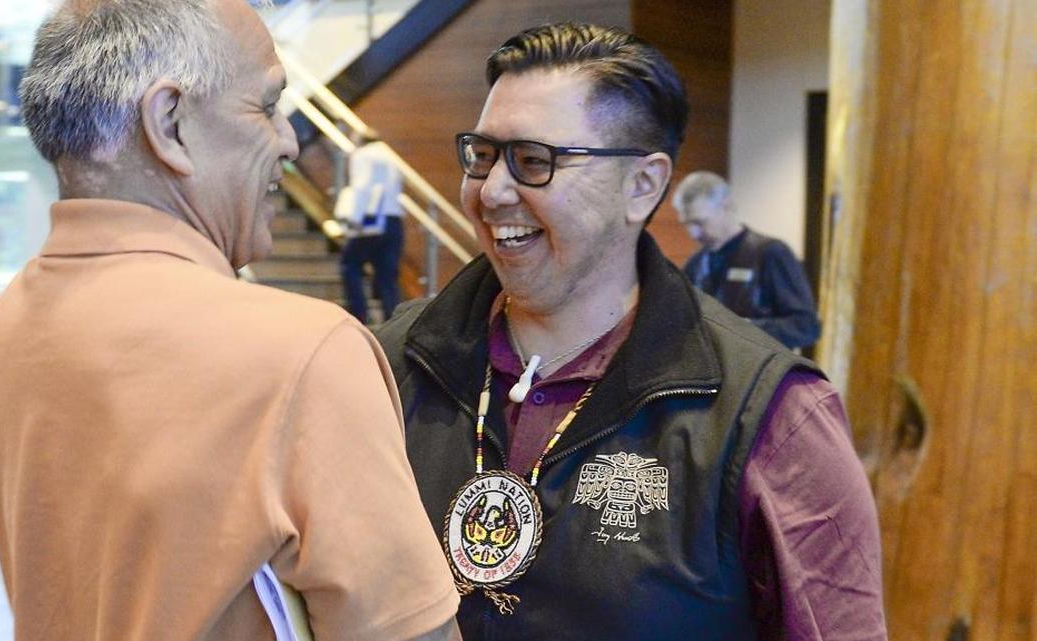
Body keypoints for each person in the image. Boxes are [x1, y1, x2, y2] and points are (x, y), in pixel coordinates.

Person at [375, 22, 886, 641]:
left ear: (641, 186)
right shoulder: (392, 363)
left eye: (534, 161)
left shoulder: (769, 417)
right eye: (482, 157)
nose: (492, 191)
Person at [0, 1, 460, 640]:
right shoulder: (303, 355)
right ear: (170, 123)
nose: (289, 140)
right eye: (266, 106)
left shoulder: (12, 320)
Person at [673, 170, 821, 349]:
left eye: (700, 222)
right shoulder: (696, 263)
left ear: (726, 206)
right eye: (686, 224)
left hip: (761, 365)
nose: (693, 234)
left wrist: (743, 329)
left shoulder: (771, 253)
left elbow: (806, 327)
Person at [337, 130, 405, 324]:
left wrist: (354, 219)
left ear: (360, 141)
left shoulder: (363, 155)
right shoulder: (390, 156)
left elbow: (362, 186)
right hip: (394, 219)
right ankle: (393, 322)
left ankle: (360, 314)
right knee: (387, 276)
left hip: (371, 218)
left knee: (349, 264)